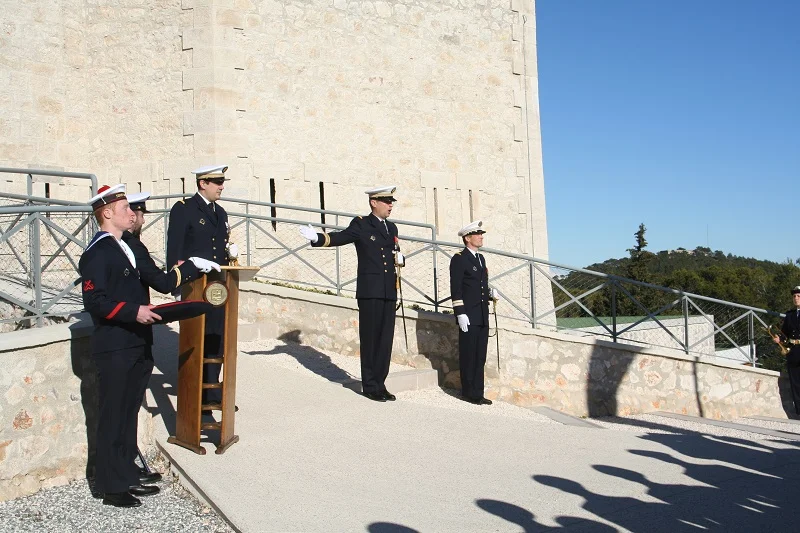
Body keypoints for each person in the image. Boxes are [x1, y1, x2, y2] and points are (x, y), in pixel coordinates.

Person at [122, 191, 220, 483]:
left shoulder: (127, 244)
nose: (138, 218)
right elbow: (162, 282)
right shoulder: (131, 246)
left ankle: (127, 464)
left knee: (128, 398)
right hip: (129, 332)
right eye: (136, 212)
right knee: (125, 400)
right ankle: (122, 468)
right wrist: (188, 267)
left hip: (133, 328)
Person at [78, 185, 163, 507]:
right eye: (126, 207)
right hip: (115, 345)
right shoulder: (98, 251)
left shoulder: (123, 246)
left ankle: (127, 473)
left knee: (127, 413)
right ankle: (111, 486)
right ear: (107, 212)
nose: (133, 213)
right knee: (113, 415)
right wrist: (134, 311)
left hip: (135, 342)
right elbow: (95, 300)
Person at [299, 186, 404, 402]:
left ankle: (380, 383)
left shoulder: (391, 228)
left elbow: (391, 254)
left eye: (391, 201)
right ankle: (370, 385)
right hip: (370, 291)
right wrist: (317, 238)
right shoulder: (362, 224)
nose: (390, 205)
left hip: (388, 290)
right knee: (371, 339)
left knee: (385, 341)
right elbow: (341, 238)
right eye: (386, 201)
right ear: (374, 203)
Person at [166, 165, 236, 408]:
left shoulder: (221, 212)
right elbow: (174, 248)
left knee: (217, 336)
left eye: (222, 181)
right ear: (202, 183)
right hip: (195, 284)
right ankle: (195, 393)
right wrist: (176, 285)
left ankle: (213, 392)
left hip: (218, 285)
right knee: (197, 338)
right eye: (217, 181)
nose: (221, 186)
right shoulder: (184, 209)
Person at [449, 220, 494, 405]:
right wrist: (460, 312)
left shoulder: (480, 259)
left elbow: (480, 284)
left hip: (482, 314)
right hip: (468, 315)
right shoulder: (459, 258)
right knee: (469, 354)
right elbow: (456, 288)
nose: (481, 236)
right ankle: (468, 392)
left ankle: (478, 391)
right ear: (468, 238)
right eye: (478, 234)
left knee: (480, 355)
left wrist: (490, 293)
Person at [774, 286, 800, 415]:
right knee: (795, 382)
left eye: (798, 296)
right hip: (793, 351)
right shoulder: (789, 315)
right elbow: (785, 333)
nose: (796, 298)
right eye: (794, 296)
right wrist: (779, 338)